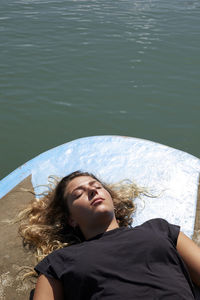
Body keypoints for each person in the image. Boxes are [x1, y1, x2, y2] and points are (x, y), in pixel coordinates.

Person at [18, 171, 200, 299]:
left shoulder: (160, 228)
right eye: (78, 193)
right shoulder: (58, 262)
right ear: (71, 219)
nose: (92, 190)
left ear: (112, 200)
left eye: (96, 186)